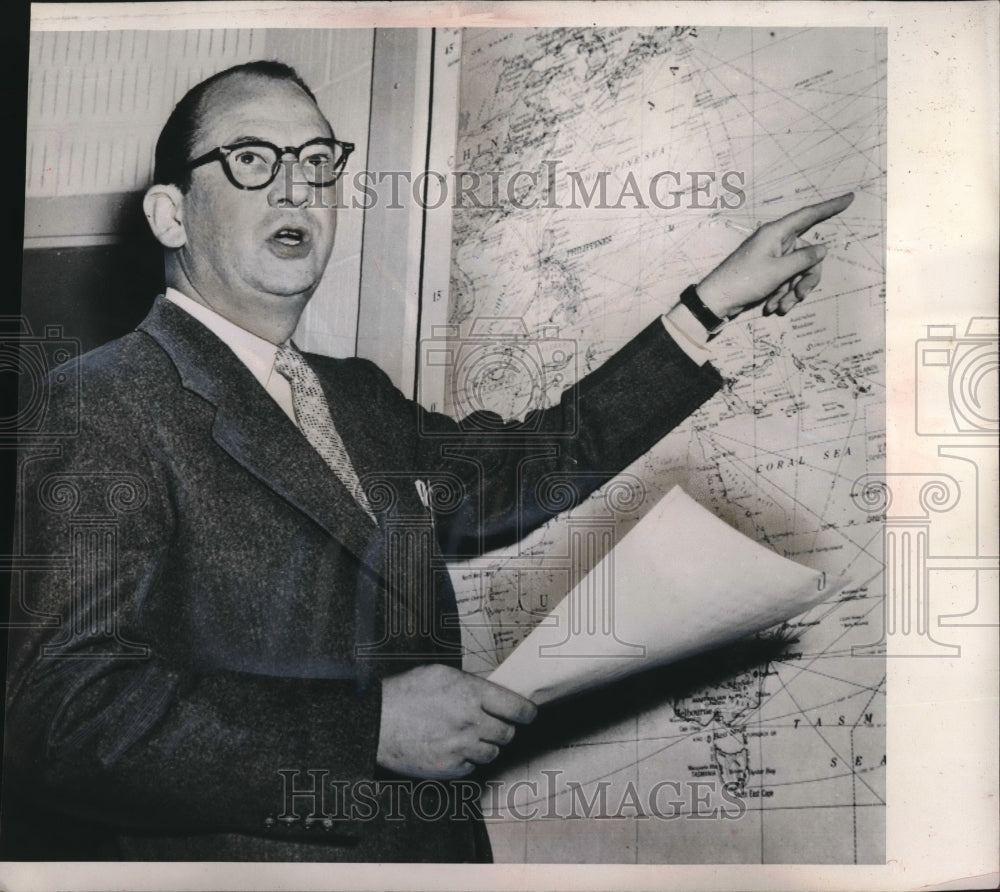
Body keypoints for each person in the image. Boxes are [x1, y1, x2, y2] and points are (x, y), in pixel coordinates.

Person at [2, 60, 853, 862]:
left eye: (316, 160)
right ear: (170, 214)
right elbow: (59, 718)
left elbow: (527, 468)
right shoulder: (100, 402)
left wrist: (707, 307)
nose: (298, 184)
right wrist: (365, 730)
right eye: (253, 159)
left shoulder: (358, 395)